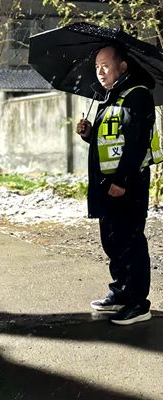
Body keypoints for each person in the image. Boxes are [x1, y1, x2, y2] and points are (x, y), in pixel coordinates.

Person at [76, 45, 154, 325]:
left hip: (127, 184)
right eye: (97, 66)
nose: (100, 72)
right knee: (112, 240)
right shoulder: (111, 97)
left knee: (130, 242)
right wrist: (89, 134)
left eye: (105, 65)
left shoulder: (136, 95)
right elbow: (111, 139)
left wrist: (122, 180)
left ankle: (138, 303)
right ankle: (120, 292)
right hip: (107, 183)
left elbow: (136, 141)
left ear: (122, 66)